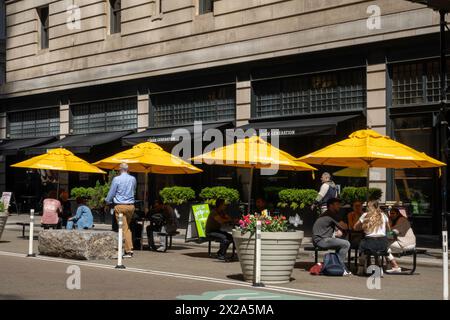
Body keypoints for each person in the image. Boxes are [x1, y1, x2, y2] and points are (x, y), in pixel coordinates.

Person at [105, 163, 137, 258]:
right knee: (127, 228)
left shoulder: (117, 179)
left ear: (120, 169)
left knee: (123, 228)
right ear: (128, 169)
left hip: (120, 206)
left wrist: (107, 202)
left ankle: (128, 250)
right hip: (131, 206)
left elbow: (111, 192)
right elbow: (134, 190)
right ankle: (127, 248)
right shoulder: (133, 179)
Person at [312, 198, 351, 274]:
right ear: (331, 206)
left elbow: (338, 227)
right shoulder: (331, 214)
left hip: (320, 239)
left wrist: (339, 230)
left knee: (341, 243)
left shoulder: (328, 214)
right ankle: (341, 267)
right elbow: (345, 226)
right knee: (346, 244)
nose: (339, 206)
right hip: (321, 240)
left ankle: (335, 265)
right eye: (337, 204)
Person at [354, 200, 390, 274]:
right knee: (377, 251)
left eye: (367, 206)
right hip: (382, 243)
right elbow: (389, 230)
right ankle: (379, 268)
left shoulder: (365, 215)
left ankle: (360, 267)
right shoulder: (383, 215)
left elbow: (355, 227)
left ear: (370, 207)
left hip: (369, 242)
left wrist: (364, 228)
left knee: (362, 248)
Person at [386, 207, 416, 273]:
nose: (391, 215)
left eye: (393, 213)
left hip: (406, 243)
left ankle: (395, 266)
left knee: (383, 246)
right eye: (390, 213)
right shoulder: (396, 220)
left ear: (397, 214)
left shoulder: (401, 220)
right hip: (404, 242)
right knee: (388, 249)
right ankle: (389, 265)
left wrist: (384, 235)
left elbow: (393, 233)